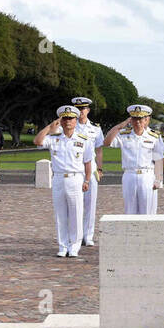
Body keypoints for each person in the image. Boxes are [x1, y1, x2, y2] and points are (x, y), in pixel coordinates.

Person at [33, 105, 93, 257]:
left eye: (71, 118)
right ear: (61, 120)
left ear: (75, 120)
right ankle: (62, 246)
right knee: (60, 214)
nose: (68, 121)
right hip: (59, 178)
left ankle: (74, 245)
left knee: (76, 213)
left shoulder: (83, 140)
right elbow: (37, 141)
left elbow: (87, 162)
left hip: (75, 178)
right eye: (65, 118)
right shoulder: (54, 138)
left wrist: (87, 180)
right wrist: (49, 127)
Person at [105, 104, 164, 215]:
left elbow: (159, 159)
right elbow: (107, 142)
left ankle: (147, 232)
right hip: (129, 175)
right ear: (130, 119)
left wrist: (158, 179)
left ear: (146, 119)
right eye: (134, 118)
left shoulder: (154, 136)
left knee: (148, 211)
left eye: (140, 118)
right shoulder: (123, 135)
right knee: (130, 211)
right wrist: (121, 126)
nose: (137, 121)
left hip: (147, 175)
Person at [72, 96, 105, 247]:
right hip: (75, 167)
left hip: (90, 168)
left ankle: (88, 235)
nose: (80, 111)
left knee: (90, 204)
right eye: (78, 109)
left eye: (83, 108)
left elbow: (99, 150)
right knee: (75, 203)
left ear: (88, 110)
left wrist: (99, 168)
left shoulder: (95, 129)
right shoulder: (69, 126)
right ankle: (76, 234)